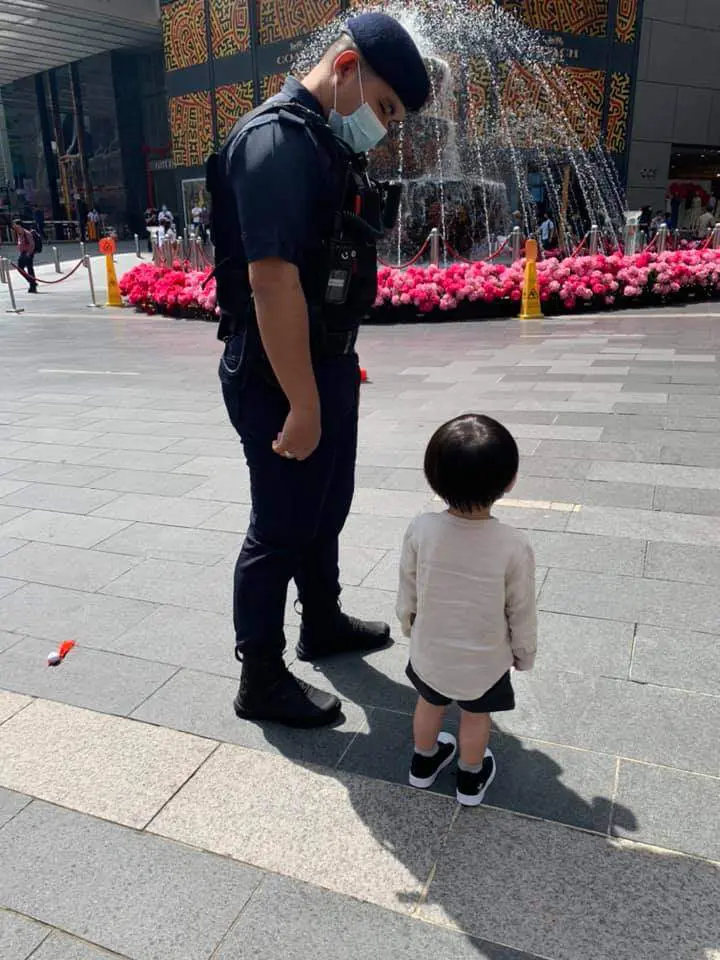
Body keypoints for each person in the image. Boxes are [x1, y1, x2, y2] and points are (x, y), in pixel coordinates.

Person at [208, 13, 430, 728]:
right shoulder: (274, 141)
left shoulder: (324, 142)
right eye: (385, 107)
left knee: (325, 507)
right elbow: (271, 284)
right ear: (344, 66)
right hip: (278, 372)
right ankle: (261, 676)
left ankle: (323, 620)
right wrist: (303, 403)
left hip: (324, 360)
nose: (385, 127)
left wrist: (330, 380)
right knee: (279, 524)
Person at [397, 415, 537, 806]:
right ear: (509, 481)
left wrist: (408, 621)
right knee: (476, 718)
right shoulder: (512, 544)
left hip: (431, 651)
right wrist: (524, 652)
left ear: (433, 477)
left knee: (429, 704)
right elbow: (521, 608)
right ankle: (470, 780)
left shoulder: (422, 528)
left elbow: (409, 583)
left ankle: (423, 764)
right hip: (484, 660)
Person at [13, 219, 37, 293]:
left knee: (29, 269)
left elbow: (32, 244)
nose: (14, 227)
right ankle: (32, 283)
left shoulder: (27, 233)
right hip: (23, 253)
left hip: (28, 253)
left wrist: (28, 254)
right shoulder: (18, 233)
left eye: (15, 225)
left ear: (19, 225)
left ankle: (32, 285)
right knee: (21, 268)